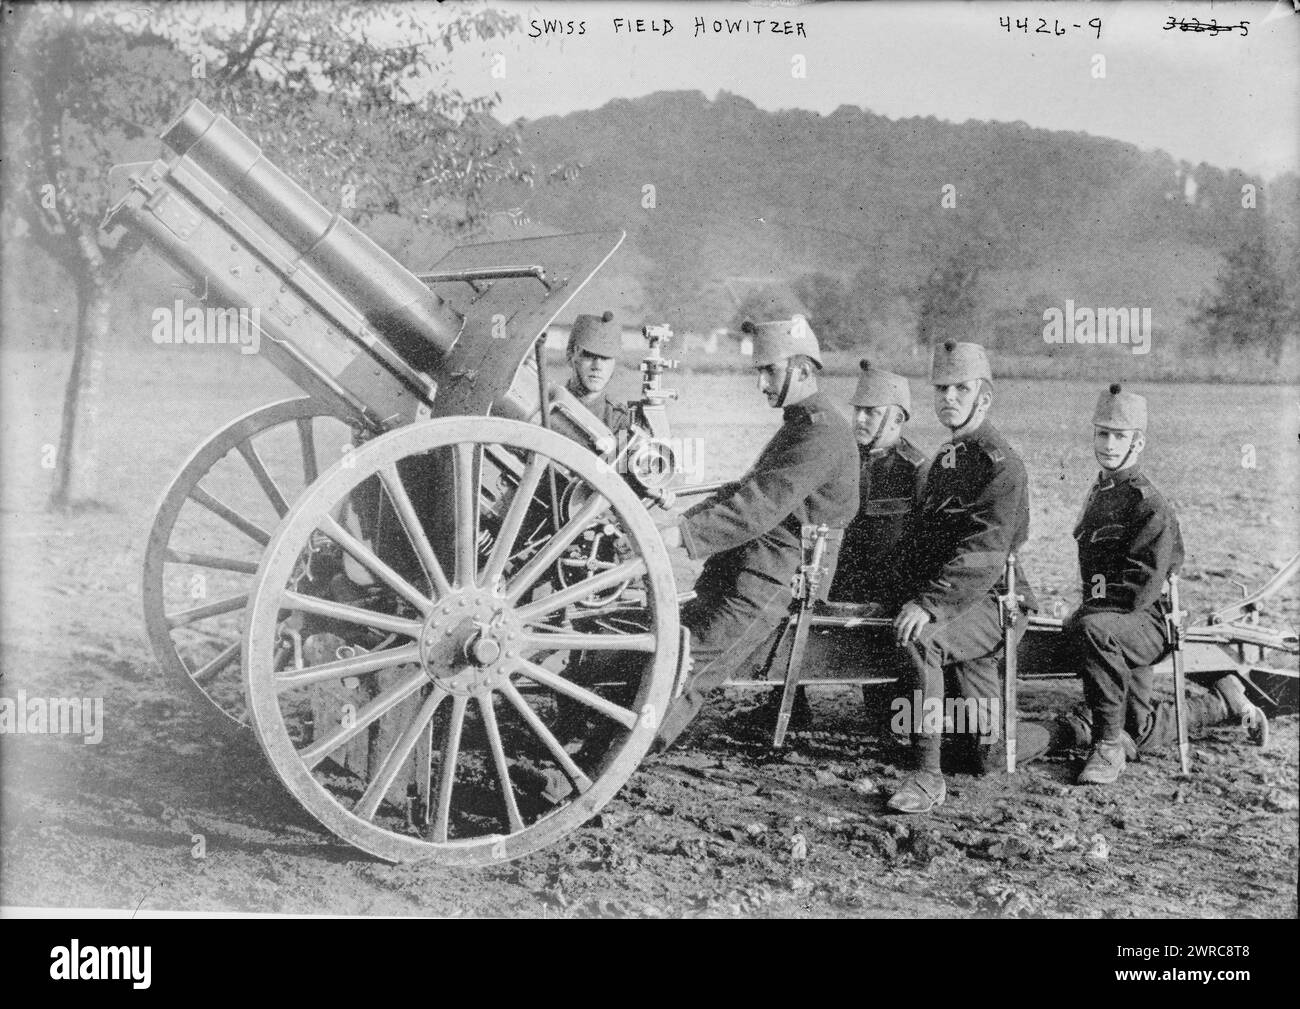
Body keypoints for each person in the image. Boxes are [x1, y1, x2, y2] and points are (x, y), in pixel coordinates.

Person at [652, 316, 860, 752]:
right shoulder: (801, 425)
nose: (762, 383)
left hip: (777, 581)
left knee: (688, 668)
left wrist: (679, 536)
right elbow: (741, 490)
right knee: (667, 647)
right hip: (749, 571)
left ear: (802, 370)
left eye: (770, 371)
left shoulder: (823, 433)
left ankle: (622, 755)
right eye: (759, 372)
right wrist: (675, 523)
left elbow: (760, 504)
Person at [1062, 383, 1267, 785]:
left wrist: (1089, 612)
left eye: (1118, 436)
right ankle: (1224, 701)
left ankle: (1105, 747)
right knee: (1140, 728)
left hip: (1146, 621)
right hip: (1116, 621)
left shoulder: (1148, 503)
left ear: (1137, 443)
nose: (1107, 444)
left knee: (1088, 628)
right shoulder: (1100, 492)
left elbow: (1139, 588)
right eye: (1101, 433)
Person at [886, 340, 1045, 814]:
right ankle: (1071, 729)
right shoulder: (947, 460)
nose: (949, 397)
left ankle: (926, 777)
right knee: (986, 752)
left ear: (985, 397)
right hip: (962, 604)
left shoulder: (1001, 465)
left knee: (922, 639)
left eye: (961, 388)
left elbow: (983, 553)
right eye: (941, 388)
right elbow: (921, 543)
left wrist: (929, 605)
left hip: (996, 603)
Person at [829, 359, 927, 606]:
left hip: (888, 598)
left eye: (871, 412)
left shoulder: (916, 470)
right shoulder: (840, 459)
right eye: (857, 410)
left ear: (897, 419)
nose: (860, 419)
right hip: (838, 590)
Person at [563, 310, 635, 437]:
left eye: (606, 358)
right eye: (589, 356)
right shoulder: (547, 407)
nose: (597, 367)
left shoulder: (619, 421)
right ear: (570, 357)